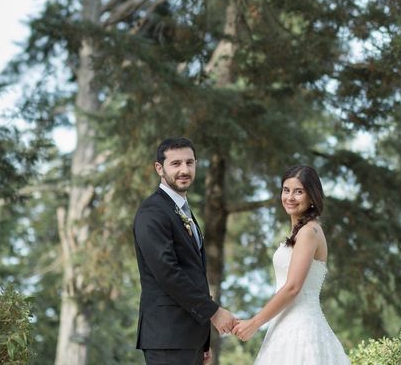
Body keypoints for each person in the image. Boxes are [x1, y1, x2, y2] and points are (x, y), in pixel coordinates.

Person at [133, 137, 237, 365]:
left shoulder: (182, 210)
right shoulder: (153, 211)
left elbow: (193, 273)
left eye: (190, 163)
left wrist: (202, 340)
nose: (184, 170)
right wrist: (214, 312)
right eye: (176, 163)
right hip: (167, 338)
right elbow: (167, 272)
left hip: (188, 338)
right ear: (159, 168)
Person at [232, 165, 350, 364]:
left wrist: (254, 323)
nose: (290, 197)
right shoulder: (299, 232)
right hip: (284, 324)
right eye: (286, 190)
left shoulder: (309, 232)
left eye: (299, 191)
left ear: (312, 196)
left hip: (300, 330)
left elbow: (293, 287)